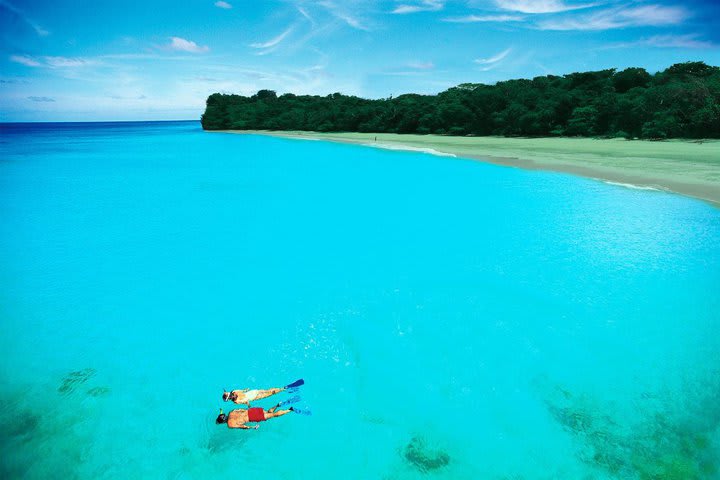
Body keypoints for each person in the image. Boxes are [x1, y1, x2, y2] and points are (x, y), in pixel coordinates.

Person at [222, 379, 303, 406]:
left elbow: (246, 401)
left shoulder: (235, 401)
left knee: (270, 394)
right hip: (252, 392)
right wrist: (246, 390)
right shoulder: (234, 391)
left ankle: (284, 389)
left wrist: (249, 406)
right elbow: (243, 390)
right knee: (267, 390)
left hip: (253, 397)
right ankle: (281, 388)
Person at [216, 404, 293, 429]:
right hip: (252, 411)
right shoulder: (231, 412)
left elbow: (243, 427)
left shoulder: (230, 424)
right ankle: (277, 405)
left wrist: (252, 427)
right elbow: (241, 409)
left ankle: (290, 410)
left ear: (223, 422)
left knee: (273, 415)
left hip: (252, 417)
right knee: (267, 412)